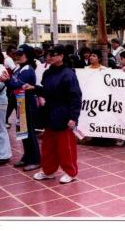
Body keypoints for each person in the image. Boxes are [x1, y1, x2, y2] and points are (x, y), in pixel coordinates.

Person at [23, 45, 82, 184]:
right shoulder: (48, 73)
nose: (49, 57)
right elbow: (47, 91)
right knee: (48, 145)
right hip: (49, 112)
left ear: (61, 56)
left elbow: (76, 97)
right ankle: (48, 171)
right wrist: (35, 88)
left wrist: (74, 117)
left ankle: (71, 172)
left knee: (65, 147)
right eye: (48, 54)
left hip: (64, 113)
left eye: (53, 54)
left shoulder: (69, 74)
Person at [6, 44, 41, 172]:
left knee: (30, 133)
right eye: (17, 54)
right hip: (20, 103)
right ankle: (27, 156)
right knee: (23, 132)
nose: (18, 56)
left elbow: (14, 84)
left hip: (27, 104)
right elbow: (12, 83)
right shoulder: (19, 69)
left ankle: (36, 159)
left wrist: (8, 81)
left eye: (21, 54)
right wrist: (9, 81)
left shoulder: (27, 69)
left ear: (28, 55)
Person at [5, 45, 17, 129]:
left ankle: (4, 120)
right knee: (12, 103)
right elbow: (15, 69)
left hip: (10, 85)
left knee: (12, 103)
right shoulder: (9, 59)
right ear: (9, 53)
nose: (15, 55)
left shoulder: (8, 59)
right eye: (13, 53)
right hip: (10, 85)